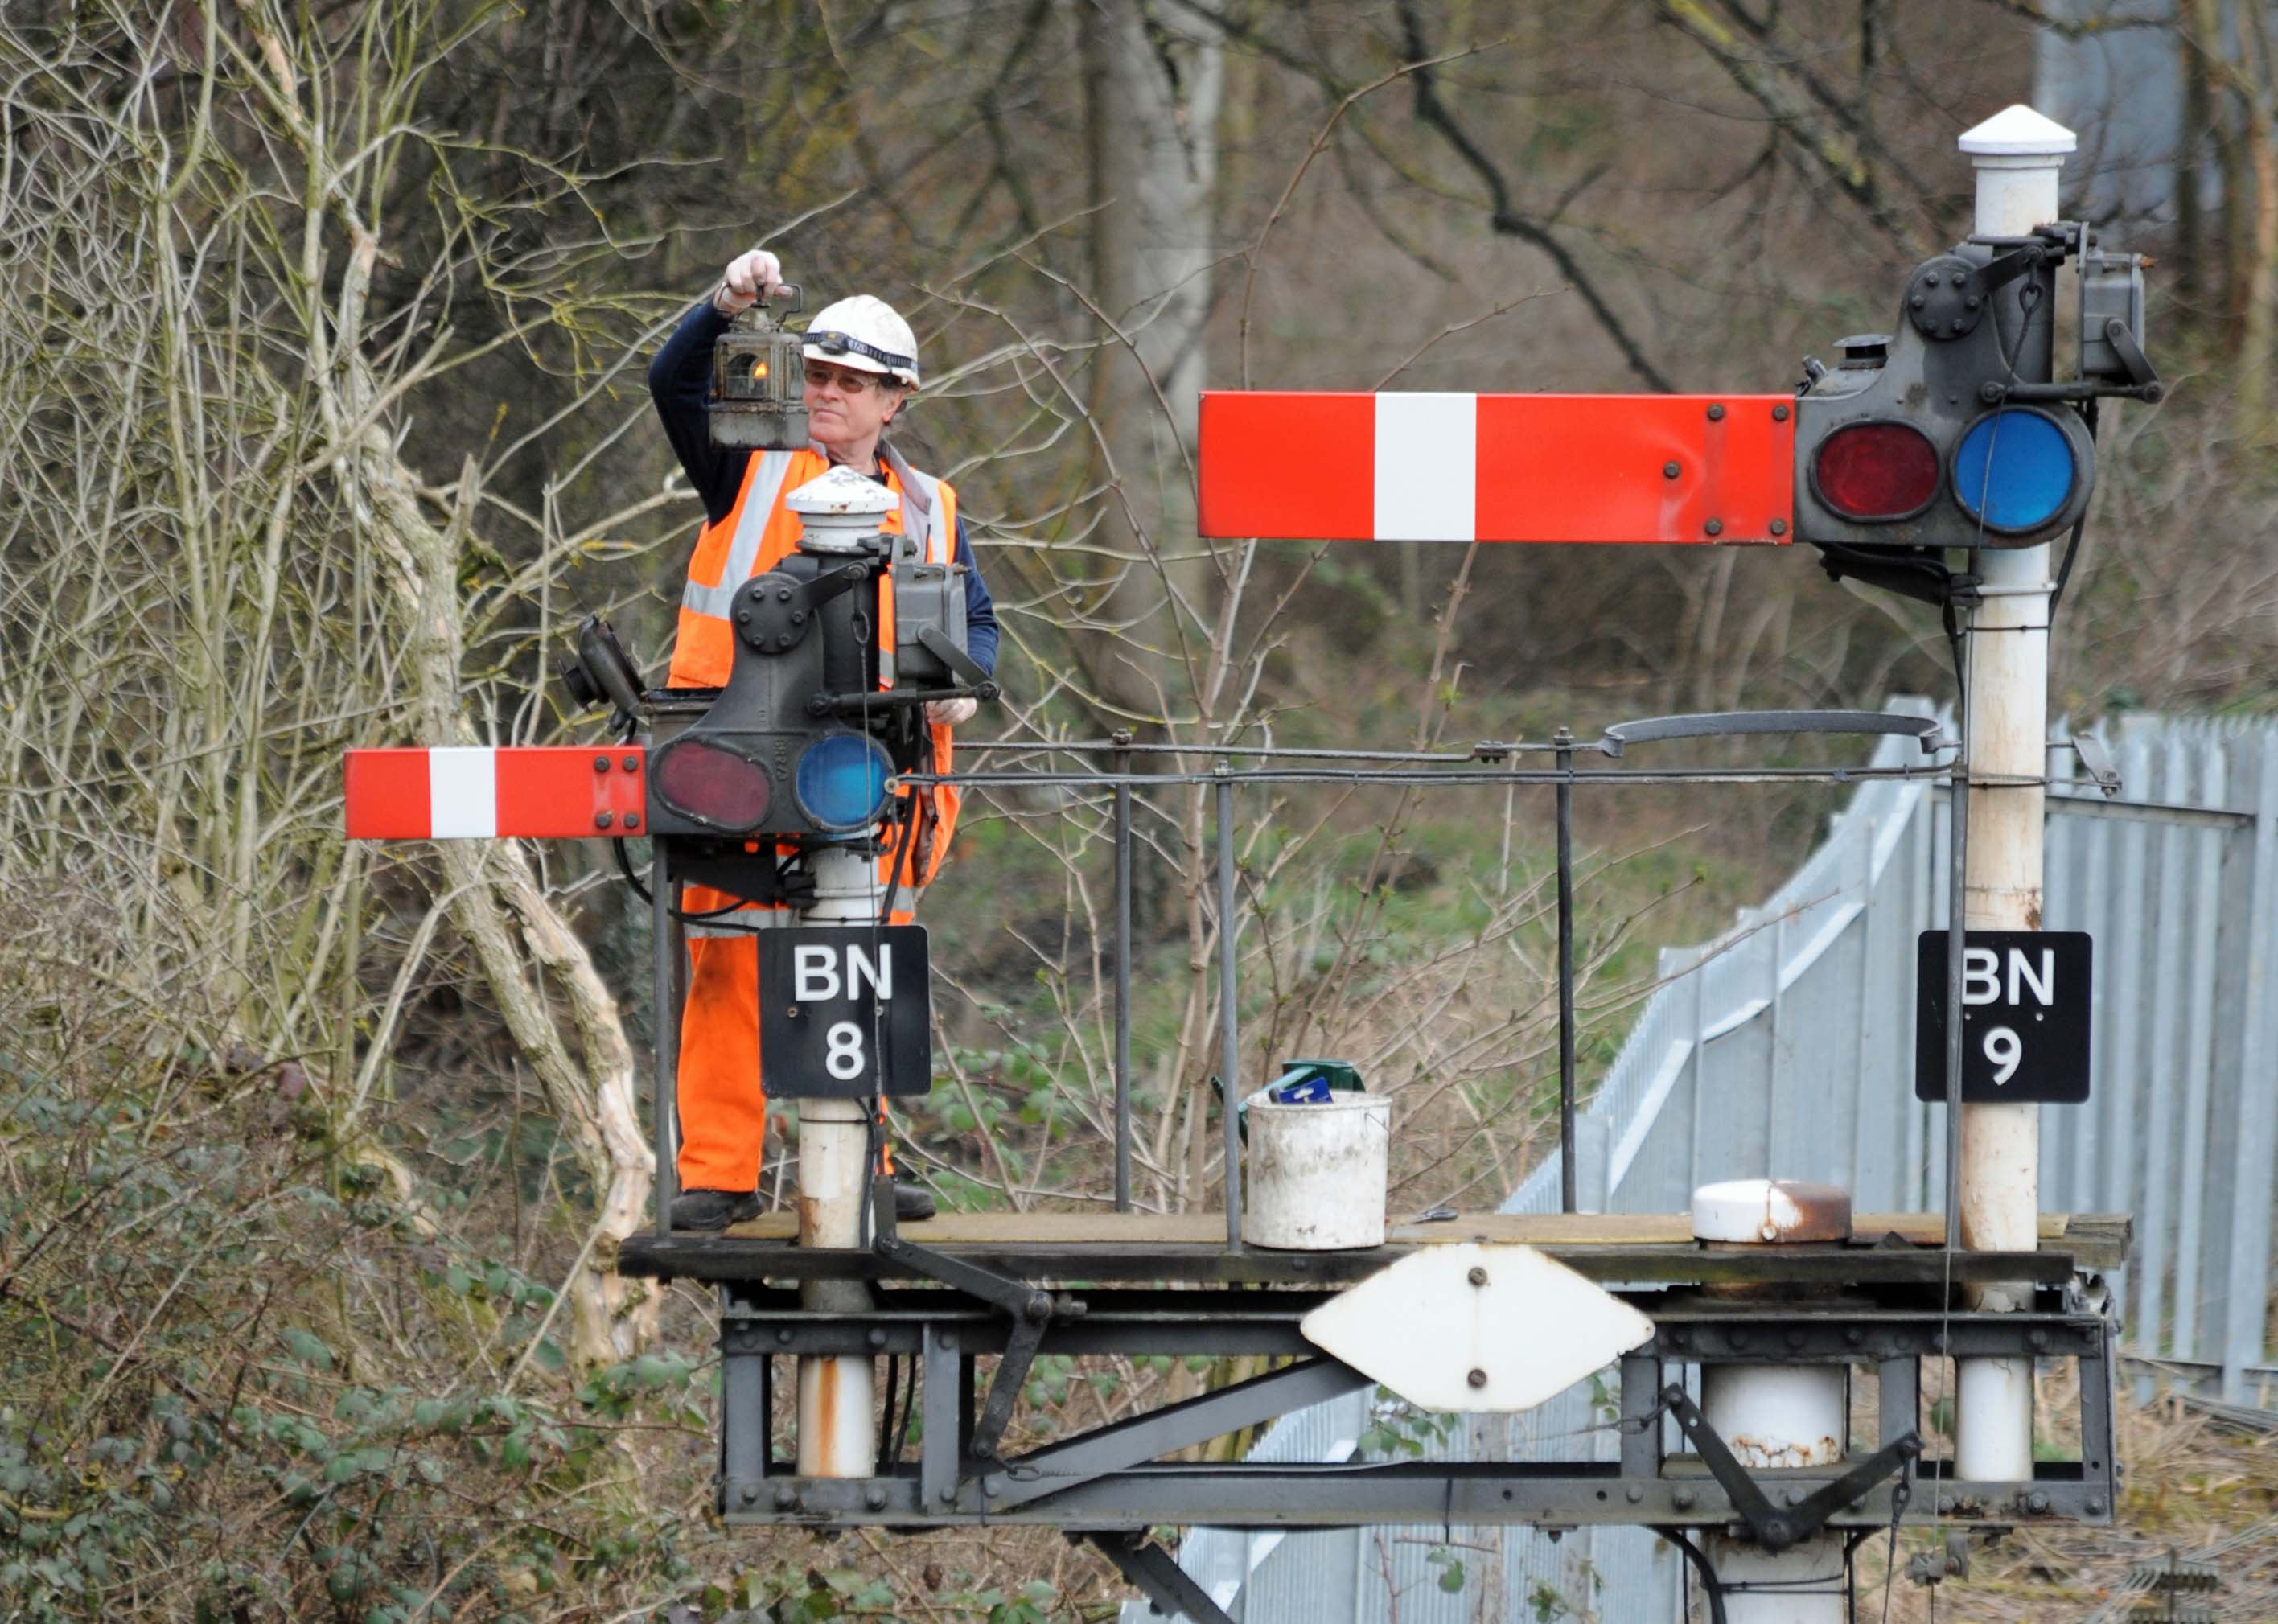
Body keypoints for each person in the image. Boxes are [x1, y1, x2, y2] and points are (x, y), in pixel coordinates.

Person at [648, 247, 998, 1231]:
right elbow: (670, 381)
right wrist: (724, 307)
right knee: (725, 957)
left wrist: (965, 684)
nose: (829, 394)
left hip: (871, 770)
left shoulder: (929, 504)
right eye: (819, 375)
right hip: (737, 758)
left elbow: (975, 620)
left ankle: (862, 1167)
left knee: (860, 961)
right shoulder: (747, 462)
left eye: (853, 382)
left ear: (896, 400)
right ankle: (718, 1172)